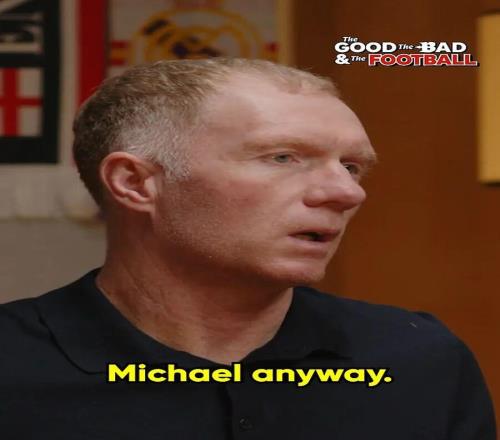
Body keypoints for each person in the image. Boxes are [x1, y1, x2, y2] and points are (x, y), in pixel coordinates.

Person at [0, 58, 496, 439]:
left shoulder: (419, 360)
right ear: (135, 183)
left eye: (351, 167)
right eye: (283, 157)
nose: (347, 193)